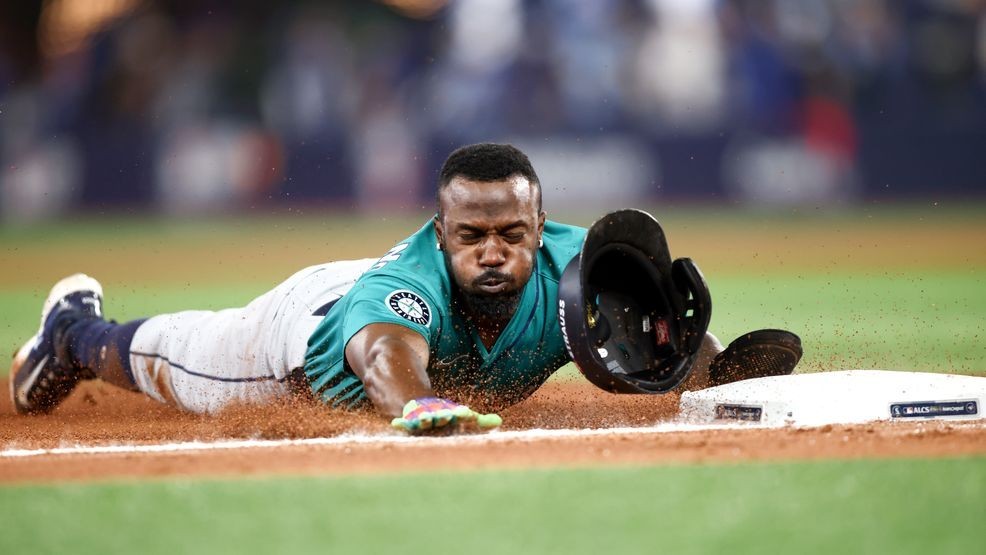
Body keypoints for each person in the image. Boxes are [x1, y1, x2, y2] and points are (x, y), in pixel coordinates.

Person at [10, 143, 800, 433]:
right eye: (471, 235)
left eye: (511, 234)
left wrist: (714, 366)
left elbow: (645, 314)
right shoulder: (405, 286)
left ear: (539, 224)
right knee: (168, 360)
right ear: (442, 229)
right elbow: (387, 355)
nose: (493, 251)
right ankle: (74, 333)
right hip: (302, 335)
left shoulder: (577, 264)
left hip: (366, 317)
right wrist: (417, 403)